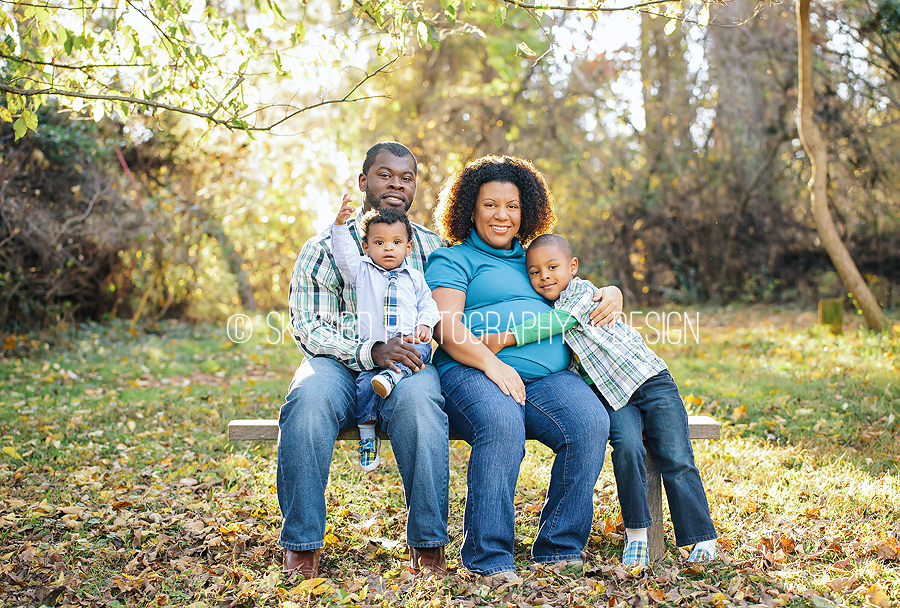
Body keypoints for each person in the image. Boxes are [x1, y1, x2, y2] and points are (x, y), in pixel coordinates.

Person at [424, 155, 623, 581]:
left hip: (548, 378)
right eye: (490, 205)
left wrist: (612, 292)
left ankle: (559, 547)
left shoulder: (536, 258)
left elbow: (577, 290)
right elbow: (446, 327)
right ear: (469, 210)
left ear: (525, 210)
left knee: (588, 422)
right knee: (500, 422)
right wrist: (492, 364)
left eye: (511, 206)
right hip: (471, 370)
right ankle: (488, 557)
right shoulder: (452, 259)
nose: (502, 215)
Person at [479, 233, 718, 566]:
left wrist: (504, 338)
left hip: (649, 380)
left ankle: (701, 537)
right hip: (612, 395)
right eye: (535, 272)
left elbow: (561, 321)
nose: (544, 276)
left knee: (676, 455)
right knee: (628, 449)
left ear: (572, 267)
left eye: (552, 267)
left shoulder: (581, 293)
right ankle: (637, 535)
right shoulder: (542, 304)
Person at [279, 142, 449, 578]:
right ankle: (302, 543)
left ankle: (427, 543)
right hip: (337, 360)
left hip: (406, 361)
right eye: (384, 175)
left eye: (406, 177)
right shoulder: (324, 247)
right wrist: (368, 350)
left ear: (414, 187)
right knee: (308, 400)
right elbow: (309, 327)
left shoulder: (432, 248)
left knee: (419, 402)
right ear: (363, 182)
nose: (396, 184)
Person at [331, 197, 440, 471]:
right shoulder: (362, 271)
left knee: (421, 351)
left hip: (411, 344)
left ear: (408, 246)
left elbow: (427, 303)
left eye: (396, 242)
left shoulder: (414, 277)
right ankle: (368, 439)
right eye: (379, 243)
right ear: (366, 247)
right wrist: (340, 225)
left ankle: (393, 376)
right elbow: (343, 255)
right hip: (376, 350)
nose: (388, 248)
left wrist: (425, 324)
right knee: (365, 387)